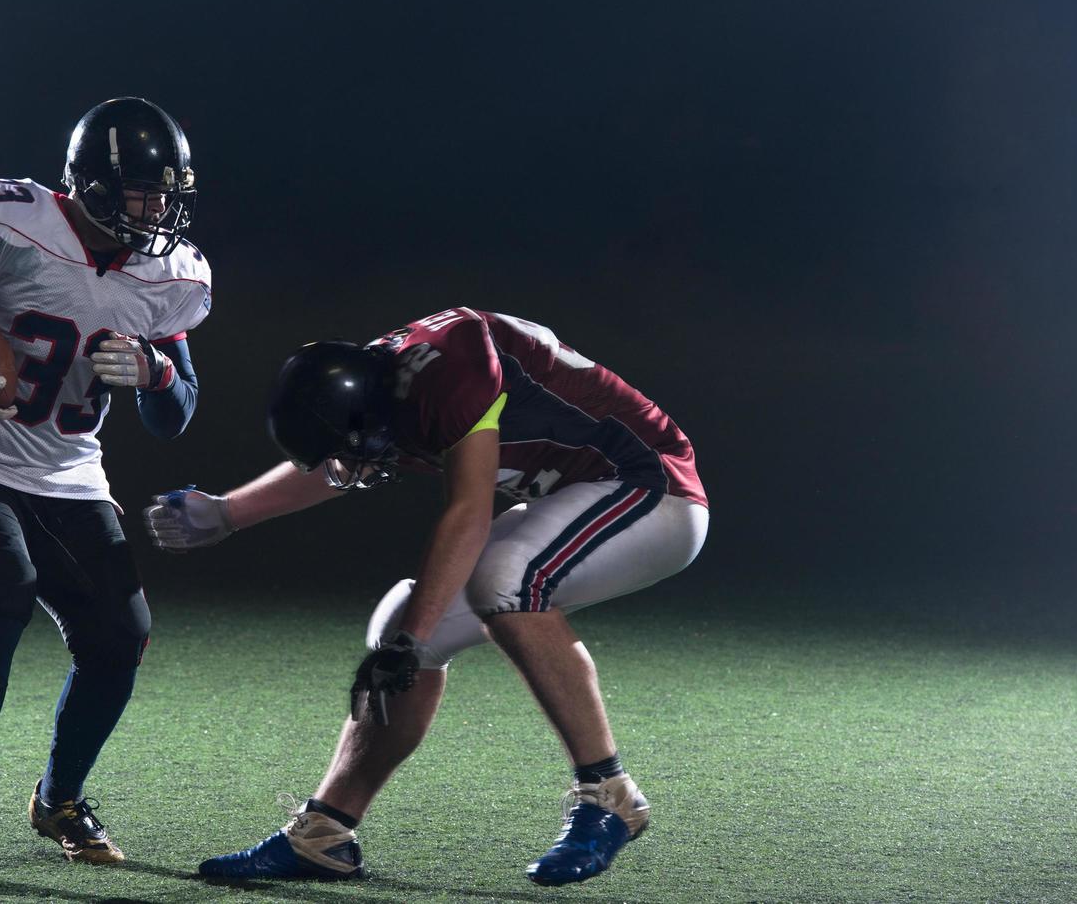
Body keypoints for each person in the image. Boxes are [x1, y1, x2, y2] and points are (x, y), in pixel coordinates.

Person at [145, 306, 708, 886]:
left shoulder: (453, 365)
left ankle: (608, 792)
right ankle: (325, 836)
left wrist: (412, 640)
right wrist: (229, 512)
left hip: (648, 485)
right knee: (404, 627)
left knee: (503, 579)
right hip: (576, 495)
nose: (352, 467)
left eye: (354, 450)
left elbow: (468, 509)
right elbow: (345, 454)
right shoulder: (380, 385)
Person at [0, 97, 212, 878]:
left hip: (69, 475)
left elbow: (173, 416)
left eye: (168, 192)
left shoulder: (171, 276)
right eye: (141, 191)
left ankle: (59, 798)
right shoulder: (7, 222)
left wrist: (158, 372)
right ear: (89, 182)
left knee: (120, 637)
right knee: (0, 596)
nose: (158, 209)